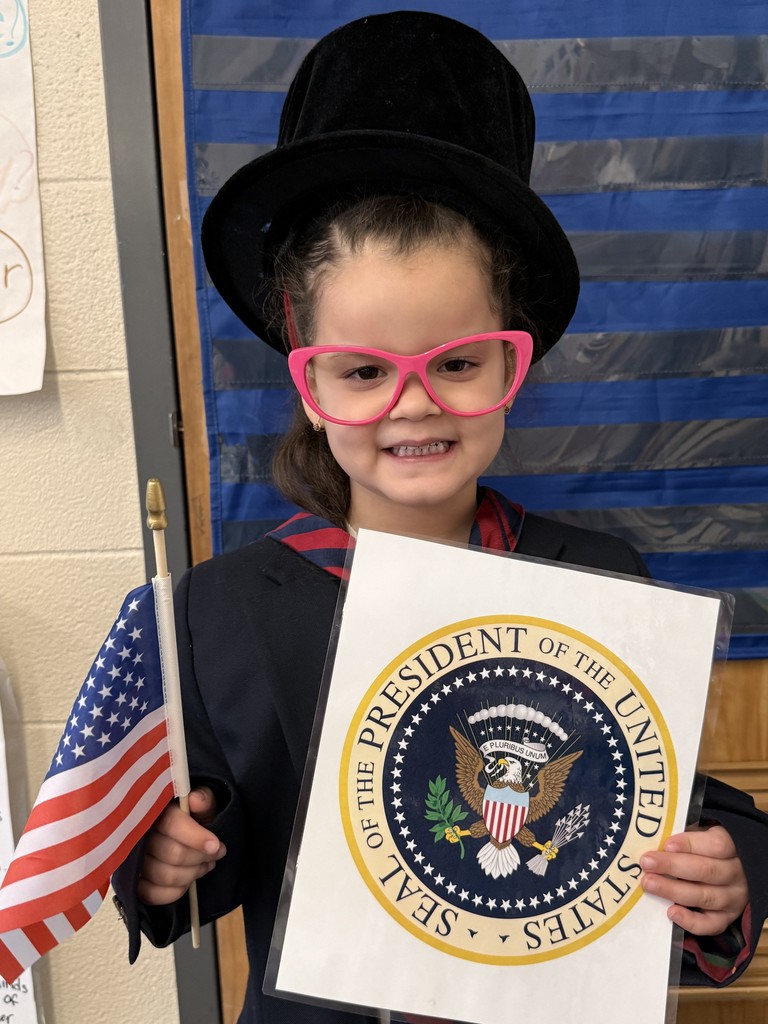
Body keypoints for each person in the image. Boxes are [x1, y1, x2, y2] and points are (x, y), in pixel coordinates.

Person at [112, 11, 768, 1023]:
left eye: (455, 362)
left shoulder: (598, 579)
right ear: (308, 373)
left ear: (513, 360)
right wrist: (164, 862)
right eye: (366, 370)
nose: (412, 402)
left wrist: (725, 880)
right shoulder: (219, 613)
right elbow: (211, 846)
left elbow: (681, 812)